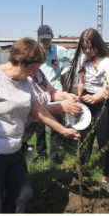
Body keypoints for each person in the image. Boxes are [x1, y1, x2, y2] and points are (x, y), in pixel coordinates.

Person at [0, 38, 80, 213]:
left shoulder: (25, 82)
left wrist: (63, 130)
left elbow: (39, 112)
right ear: (22, 62)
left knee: (23, 195)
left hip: (14, 152)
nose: (37, 72)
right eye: (35, 67)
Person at [70, 28, 109, 194]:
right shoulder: (83, 60)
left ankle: (106, 178)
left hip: (107, 103)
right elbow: (81, 82)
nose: (87, 50)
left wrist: (96, 97)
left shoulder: (107, 62)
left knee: (103, 141)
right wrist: (79, 97)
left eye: (90, 47)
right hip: (88, 100)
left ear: (98, 44)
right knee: (84, 136)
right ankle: (82, 168)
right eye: (84, 47)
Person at [31, 24, 70, 161]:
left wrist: (62, 72)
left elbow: (72, 61)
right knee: (39, 124)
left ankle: (54, 156)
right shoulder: (35, 53)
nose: (46, 43)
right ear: (38, 40)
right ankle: (41, 153)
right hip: (39, 92)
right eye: (43, 40)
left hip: (54, 89)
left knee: (56, 122)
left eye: (48, 39)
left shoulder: (59, 51)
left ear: (52, 38)